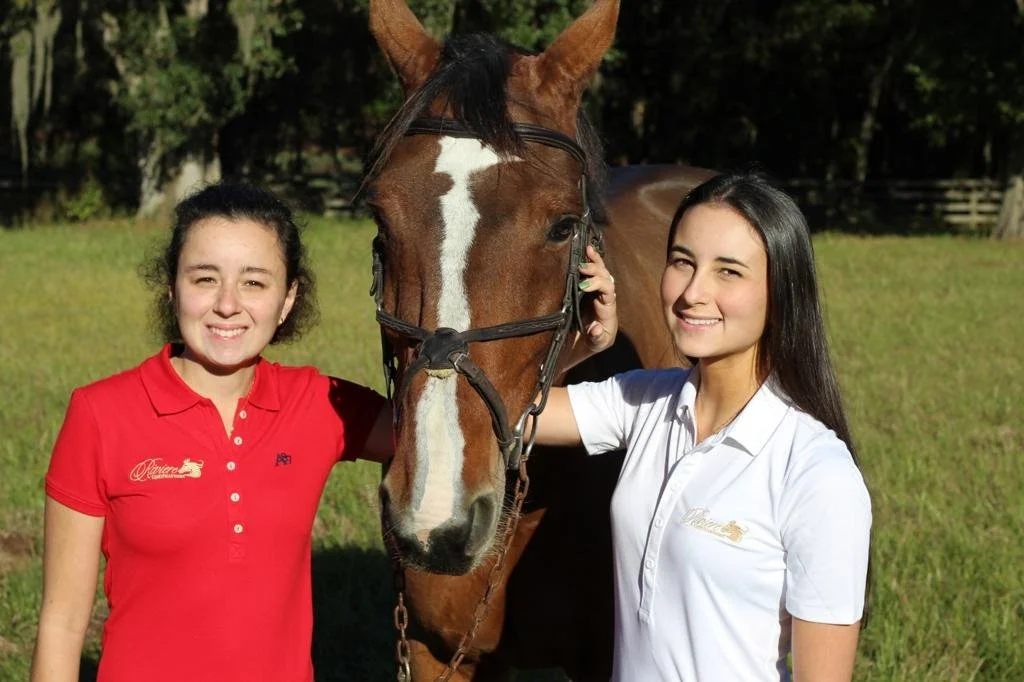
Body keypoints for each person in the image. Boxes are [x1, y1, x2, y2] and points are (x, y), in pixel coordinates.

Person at [30, 184, 393, 682]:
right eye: (205, 278)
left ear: (287, 299)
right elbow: (63, 622)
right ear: (172, 287)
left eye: (254, 283)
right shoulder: (99, 412)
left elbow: (480, 425)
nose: (227, 305)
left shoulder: (317, 403)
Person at [537, 170, 872, 681]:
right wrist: (586, 349)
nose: (694, 292)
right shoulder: (644, 401)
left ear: (781, 292)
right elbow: (511, 414)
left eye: (729, 272)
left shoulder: (815, 472)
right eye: (682, 262)